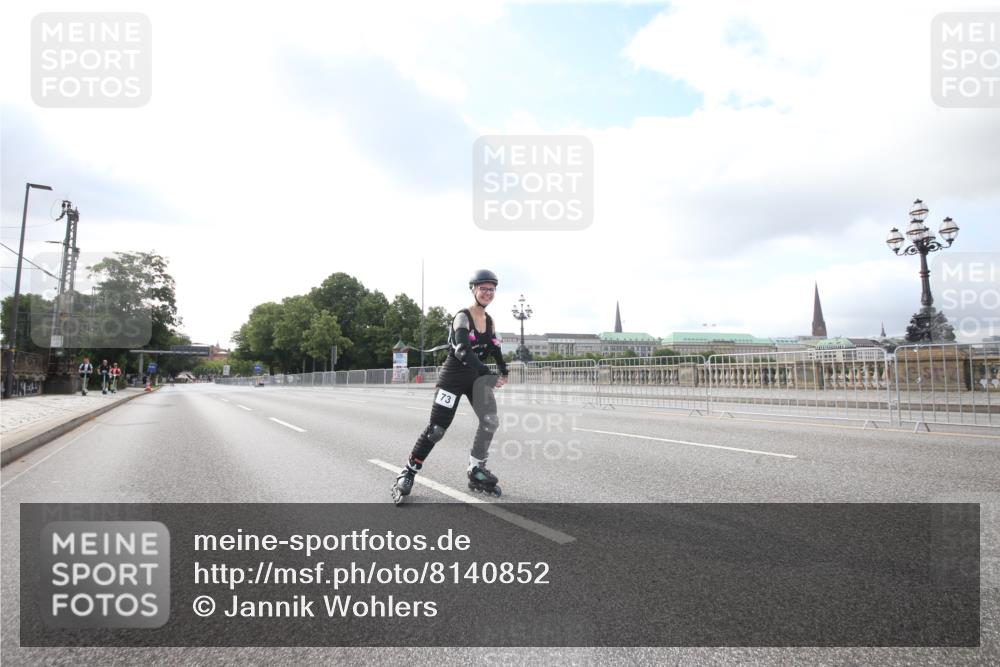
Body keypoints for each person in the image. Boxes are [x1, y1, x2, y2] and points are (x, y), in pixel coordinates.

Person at [392, 269, 509, 504]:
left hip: (475, 378)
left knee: (490, 421)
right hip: (453, 377)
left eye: (492, 289)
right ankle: (408, 472)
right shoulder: (462, 317)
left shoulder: (490, 320)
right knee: (437, 429)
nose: (488, 293)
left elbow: (494, 348)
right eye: (483, 288)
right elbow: (463, 351)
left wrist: (503, 369)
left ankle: (476, 469)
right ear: (473, 289)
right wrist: (488, 372)